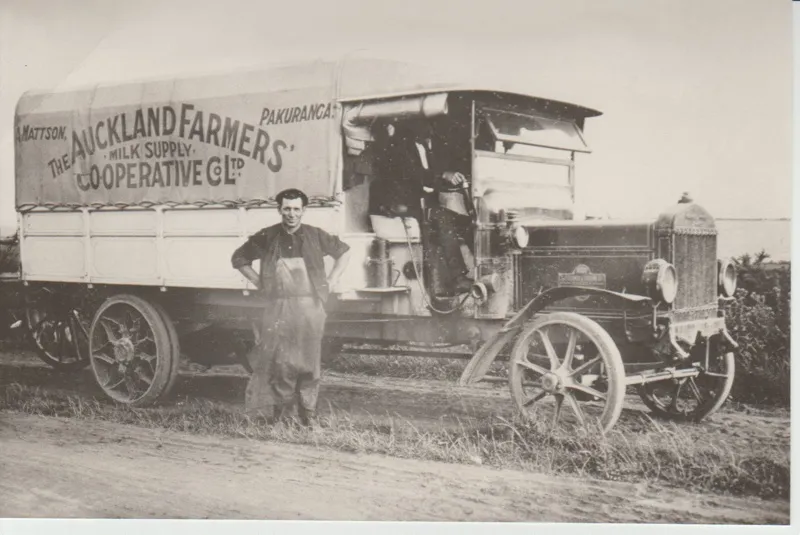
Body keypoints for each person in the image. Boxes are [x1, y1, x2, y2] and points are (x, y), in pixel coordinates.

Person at [231, 188, 351, 426]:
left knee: (309, 362)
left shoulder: (316, 235)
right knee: (281, 363)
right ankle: (283, 418)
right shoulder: (268, 236)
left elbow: (344, 252)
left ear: (304, 211)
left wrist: (333, 279)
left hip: (310, 307)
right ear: (279, 210)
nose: (292, 214)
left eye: (296, 209)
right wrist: (260, 282)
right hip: (279, 307)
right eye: (287, 208)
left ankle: (309, 417)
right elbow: (239, 259)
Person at [371, 121, 474, 295]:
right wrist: (443, 175)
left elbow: (428, 179)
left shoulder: (425, 148)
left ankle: (479, 271)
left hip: (418, 202)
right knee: (442, 218)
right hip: (399, 203)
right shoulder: (400, 146)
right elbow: (413, 175)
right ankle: (457, 278)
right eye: (427, 126)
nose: (430, 129)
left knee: (467, 222)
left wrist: (447, 178)